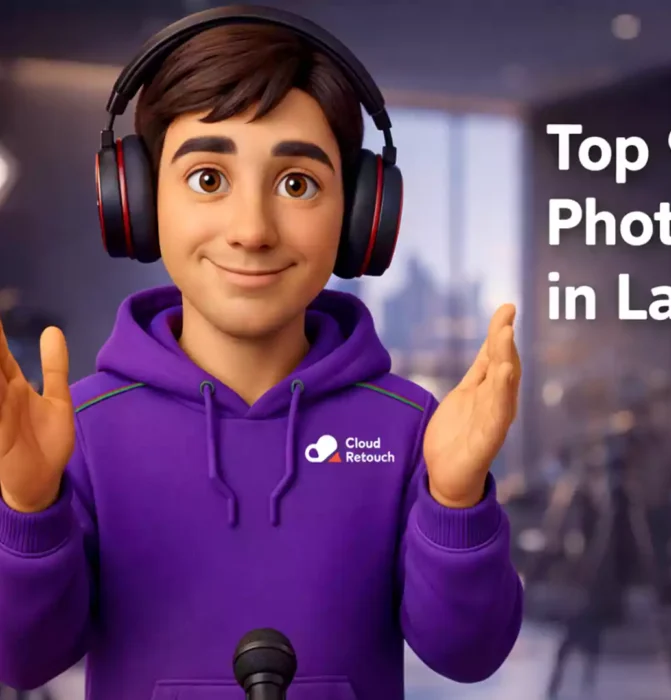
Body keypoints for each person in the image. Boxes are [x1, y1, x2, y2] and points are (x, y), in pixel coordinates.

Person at [0, 12, 523, 700]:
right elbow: (20, 662)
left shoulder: (409, 427)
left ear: (361, 216)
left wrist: (456, 499)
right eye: (209, 179)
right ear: (138, 200)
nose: (251, 231)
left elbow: (469, 655)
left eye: (297, 184)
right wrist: (28, 509)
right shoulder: (82, 428)